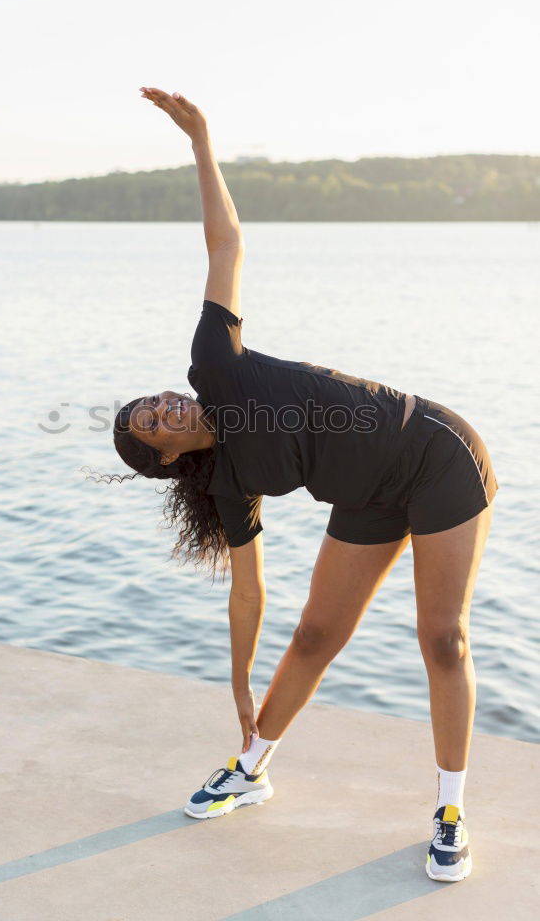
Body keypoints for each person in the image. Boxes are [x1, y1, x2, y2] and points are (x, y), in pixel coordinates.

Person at [90, 86, 498, 884]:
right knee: (315, 636)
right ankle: (252, 765)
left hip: (437, 454)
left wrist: (201, 139)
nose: (165, 406)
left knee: (441, 637)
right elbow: (249, 594)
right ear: (168, 458)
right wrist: (239, 684)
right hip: (370, 496)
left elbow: (226, 245)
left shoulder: (214, 363)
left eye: (154, 400)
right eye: (154, 424)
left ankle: (450, 811)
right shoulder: (228, 484)